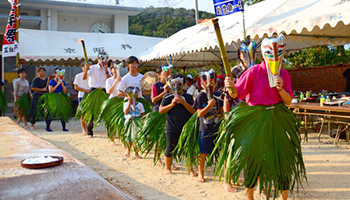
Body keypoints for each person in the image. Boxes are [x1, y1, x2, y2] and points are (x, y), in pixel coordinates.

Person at [223, 34, 306, 200]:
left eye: (280, 52)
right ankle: (250, 197)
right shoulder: (253, 72)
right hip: (255, 121)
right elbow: (236, 94)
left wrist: (281, 89)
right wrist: (230, 85)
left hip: (277, 119)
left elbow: (288, 101)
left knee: (282, 160)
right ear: (263, 53)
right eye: (269, 53)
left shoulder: (285, 74)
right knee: (253, 161)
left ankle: (284, 197)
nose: (275, 56)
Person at [159, 73, 197, 176]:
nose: (177, 86)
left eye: (180, 83)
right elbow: (161, 110)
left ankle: (190, 169)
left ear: (184, 84)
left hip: (186, 127)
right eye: (174, 84)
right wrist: (172, 104)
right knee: (170, 147)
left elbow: (194, 111)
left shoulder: (188, 97)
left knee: (188, 148)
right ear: (171, 84)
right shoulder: (168, 97)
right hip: (171, 127)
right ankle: (167, 168)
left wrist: (184, 103)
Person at [193, 69, 223, 183]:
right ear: (202, 84)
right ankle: (201, 173)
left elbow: (221, 112)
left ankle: (225, 176)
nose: (209, 84)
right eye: (206, 82)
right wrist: (209, 106)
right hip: (205, 129)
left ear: (215, 83)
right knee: (203, 153)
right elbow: (199, 113)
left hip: (217, 129)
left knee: (221, 151)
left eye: (212, 82)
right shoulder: (201, 96)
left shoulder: (219, 95)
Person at [82, 51, 111, 138]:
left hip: (104, 90)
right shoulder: (92, 68)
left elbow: (110, 79)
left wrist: (106, 70)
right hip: (93, 90)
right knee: (91, 111)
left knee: (106, 110)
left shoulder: (108, 69)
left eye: (105, 59)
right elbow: (84, 77)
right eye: (102, 59)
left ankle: (109, 132)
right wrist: (86, 69)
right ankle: (89, 132)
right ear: (98, 59)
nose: (103, 61)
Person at [150, 65, 171, 166]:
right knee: (158, 136)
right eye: (165, 72)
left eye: (168, 71)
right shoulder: (156, 85)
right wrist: (164, 92)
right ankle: (158, 158)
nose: (167, 73)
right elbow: (153, 100)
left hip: (169, 112)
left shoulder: (171, 83)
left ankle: (169, 159)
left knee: (168, 136)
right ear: (159, 75)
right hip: (158, 112)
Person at [123, 86, 145, 159]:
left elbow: (143, 114)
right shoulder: (125, 104)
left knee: (136, 138)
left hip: (137, 122)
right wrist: (129, 103)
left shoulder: (140, 104)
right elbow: (126, 112)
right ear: (126, 96)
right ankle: (128, 151)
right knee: (129, 138)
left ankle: (136, 153)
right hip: (129, 121)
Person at [73, 62, 90, 135]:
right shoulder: (78, 76)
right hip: (82, 96)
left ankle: (87, 127)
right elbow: (76, 87)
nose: (86, 67)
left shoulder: (91, 75)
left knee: (89, 113)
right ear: (82, 67)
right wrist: (85, 90)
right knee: (82, 113)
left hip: (90, 95)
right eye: (84, 66)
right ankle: (83, 129)